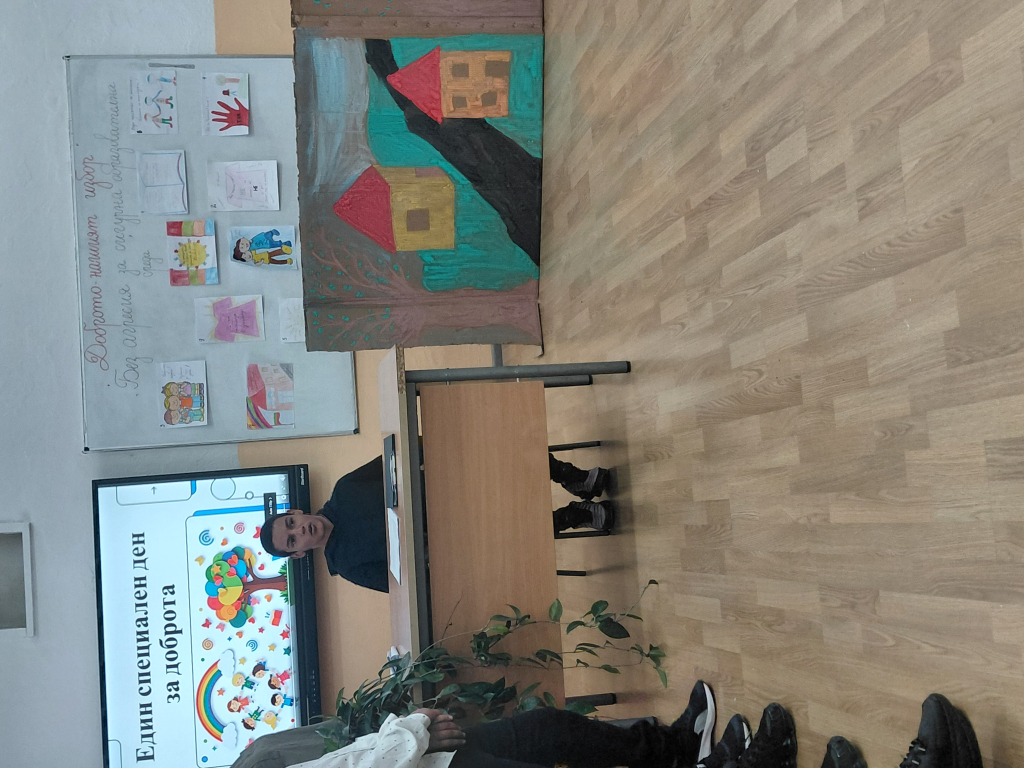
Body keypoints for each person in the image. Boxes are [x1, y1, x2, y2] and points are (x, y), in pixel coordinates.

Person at [259, 455, 616, 593]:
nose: (298, 530)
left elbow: (395, 457)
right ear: (299, 554)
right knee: (504, 542)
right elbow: (405, 587)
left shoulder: (345, 489)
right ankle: (575, 515)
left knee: (500, 447)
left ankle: (575, 478)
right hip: (454, 540)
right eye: (291, 540)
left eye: (291, 522)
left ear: (297, 512)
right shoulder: (347, 566)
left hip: (450, 482)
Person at [230, 680, 717, 768]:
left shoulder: (253, 759)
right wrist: (412, 730)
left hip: (433, 755)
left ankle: (673, 750)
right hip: (420, 755)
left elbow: (346, 756)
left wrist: (413, 735)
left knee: (549, 729)